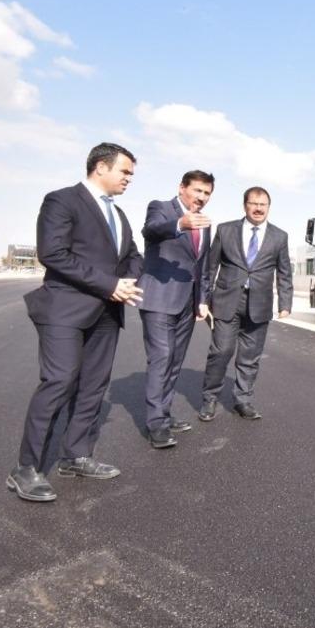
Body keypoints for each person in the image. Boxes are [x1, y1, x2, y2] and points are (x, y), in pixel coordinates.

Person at [8, 143, 143, 503]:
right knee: (59, 381)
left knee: (93, 386)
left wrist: (126, 281)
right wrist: (109, 284)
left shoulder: (120, 215)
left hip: (107, 313)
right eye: (125, 171)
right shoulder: (62, 201)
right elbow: (52, 254)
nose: (129, 179)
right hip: (65, 311)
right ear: (101, 166)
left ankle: (75, 456)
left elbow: (133, 255)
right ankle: (25, 468)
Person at [198, 187, 292, 421]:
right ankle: (210, 399)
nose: (259, 208)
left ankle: (243, 400)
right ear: (245, 205)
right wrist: (203, 299)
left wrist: (285, 302)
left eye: (263, 204)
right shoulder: (225, 230)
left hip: (259, 303)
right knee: (221, 352)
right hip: (227, 300)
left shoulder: (279, 236)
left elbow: (284, 272)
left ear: (268, 207)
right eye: (254, 203)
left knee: (250, 357)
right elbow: (210, 267)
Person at [137, 170, 216, 449]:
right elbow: (151, 230)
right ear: (182, 188)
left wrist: (202, 300)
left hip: (187, 303)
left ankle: (165, 414)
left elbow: (203, 266)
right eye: (197, 191)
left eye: (207, 193)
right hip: (158, 298)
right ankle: (155, 423)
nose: (202, 197)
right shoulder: (161, 208)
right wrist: (180, 223)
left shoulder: (206, 223)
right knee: (162, 358)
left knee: (175, 361)